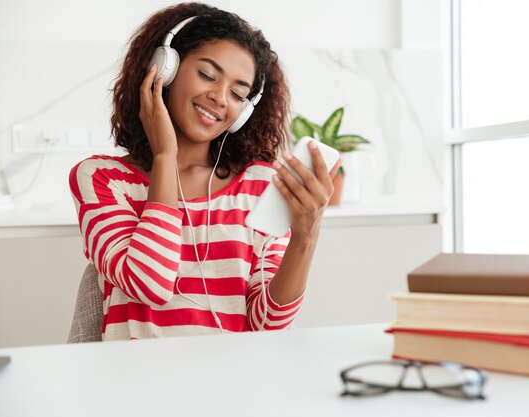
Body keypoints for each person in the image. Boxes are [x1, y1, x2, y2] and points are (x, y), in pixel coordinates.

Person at [69, 2, 340, 341]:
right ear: (163, 70)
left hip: (233, 382)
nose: (220, 98)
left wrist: (306, 235)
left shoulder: (258, 185)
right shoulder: (103, 179)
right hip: (139, 383)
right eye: (208, 75)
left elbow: (267, 325)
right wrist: (166, 156)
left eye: (238, 93)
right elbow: (148, 284)